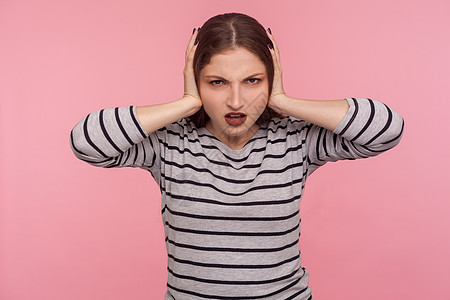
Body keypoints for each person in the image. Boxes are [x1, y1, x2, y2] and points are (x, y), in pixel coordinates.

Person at [70, 12, 404, 300]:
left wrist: (283, 101)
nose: (235, 100)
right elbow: (86, 141)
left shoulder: (295, 139)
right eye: (216, 82)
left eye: (252, 80)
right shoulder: (169, 143)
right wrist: (186, 103)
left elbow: (386, 129)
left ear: (270, 79)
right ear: (197, 81)